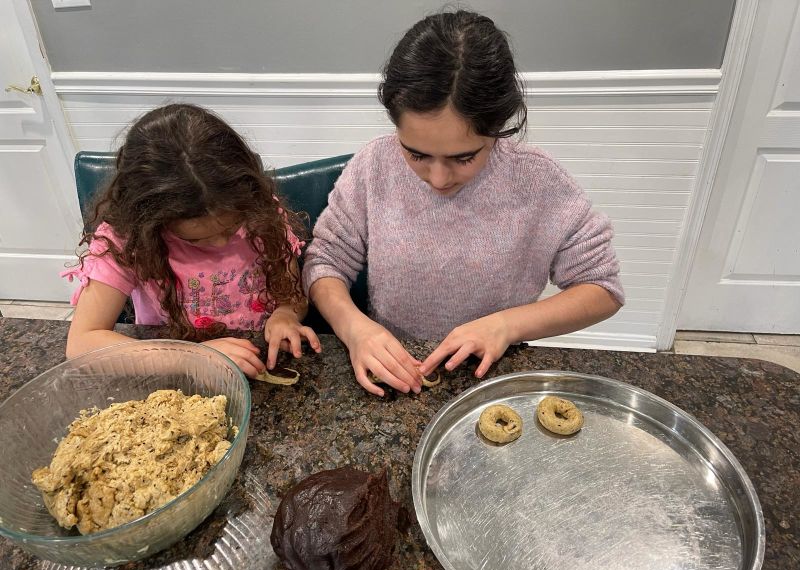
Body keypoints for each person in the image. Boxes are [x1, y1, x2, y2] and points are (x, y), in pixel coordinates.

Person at [302, 10, 624, 397]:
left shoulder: (538, 182)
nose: (438, 180)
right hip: (393, 367)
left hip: (494, 375)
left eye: (464, 157)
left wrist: (506, 325)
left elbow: (602, 289)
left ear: (498, 128)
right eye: (416, 154)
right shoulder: (374, 166)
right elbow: (325, 261)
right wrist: (354, 328)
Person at [63, 103, 321, 377]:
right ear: (150, 223)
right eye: (197, 240)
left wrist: (286, 315)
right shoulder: (125, 240)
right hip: (171, 373)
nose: (222, 244)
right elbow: (81, 343)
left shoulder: (260, 214)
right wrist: (191, 358)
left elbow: (291, 295)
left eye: (232, 227)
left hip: (255, 365)